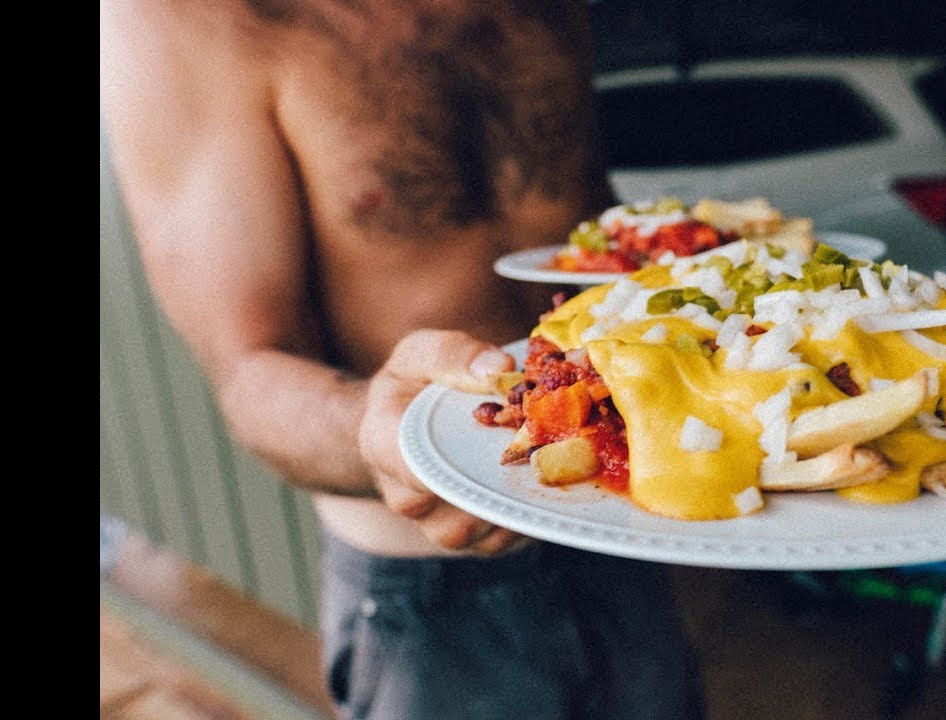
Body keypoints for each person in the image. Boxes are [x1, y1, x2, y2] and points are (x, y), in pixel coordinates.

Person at [100, 1, 705, 718]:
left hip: (622, 520)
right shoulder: (179, 20)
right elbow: (249, 367)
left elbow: (575, 225)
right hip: (427, 587)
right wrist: (387, 434)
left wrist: (698, 279)